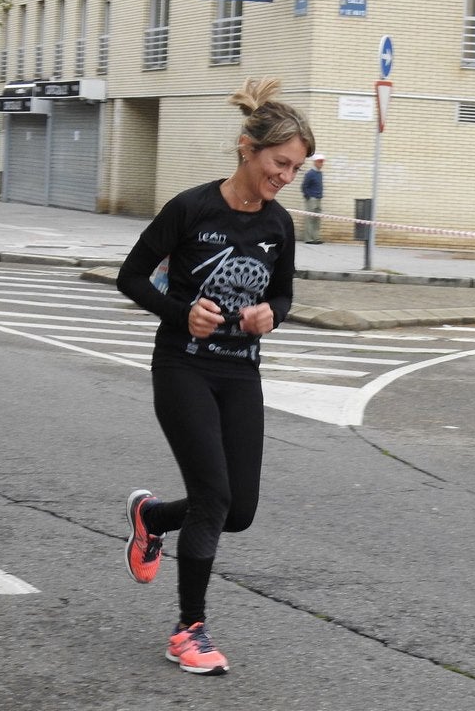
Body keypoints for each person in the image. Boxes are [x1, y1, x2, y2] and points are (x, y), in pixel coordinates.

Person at [116, 78, 315, 676]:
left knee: (240, 508)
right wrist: (182, 312)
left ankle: (151, 519)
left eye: (297, 168)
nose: (286, 176)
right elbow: (130, 276)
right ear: (247, 148)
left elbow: (283, 294)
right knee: (213, 496)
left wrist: (270, 315)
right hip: (182, 366)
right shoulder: (191, 208)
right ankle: (188, 631)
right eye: (280, 163)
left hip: (240, 374)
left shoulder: (279, 225)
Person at [301, 152, 324, 243]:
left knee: (317, 219)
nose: (321, 164)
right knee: (310, 219)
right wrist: (308, 197)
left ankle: (316, 238)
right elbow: (304, 186)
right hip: (312, 199)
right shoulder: (310, 173)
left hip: (318, 199)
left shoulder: (320, 174)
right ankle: (309, 239)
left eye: (322, 162)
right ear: (315, 162)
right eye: (319, 162)